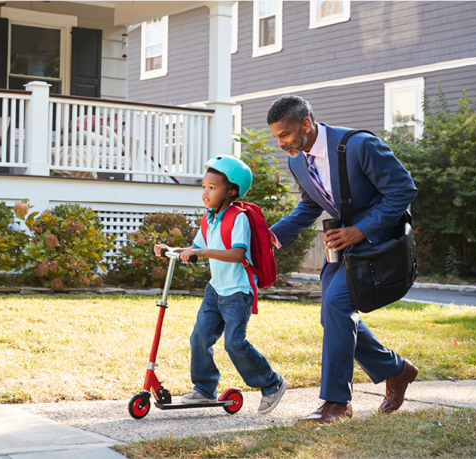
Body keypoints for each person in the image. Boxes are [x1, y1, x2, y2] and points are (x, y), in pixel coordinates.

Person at [267, 95, 419, 424]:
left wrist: (360, 231)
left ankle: (337, 403)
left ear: (306, 124)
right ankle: (396, 369)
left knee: (336, 306)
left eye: (284, 135)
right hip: (344, 246)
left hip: (379, 242)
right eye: (276, 136)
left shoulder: (359, 145)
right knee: (333, 313)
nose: (280, 143)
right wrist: (271, 236)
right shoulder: (297, 160)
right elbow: (310, 205)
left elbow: (403, 190)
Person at [154, 156, 288, 415]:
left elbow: (238, 254)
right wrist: (173, 249)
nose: (205, 192)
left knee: (234, 344)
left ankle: (272, 383)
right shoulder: (209, 218)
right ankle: (204, 389)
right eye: (204, 186)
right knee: (200, 337)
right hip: (216, 289)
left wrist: (203, 253)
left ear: (231, 192)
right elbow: (196, 247)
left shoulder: (238, 217)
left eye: (212, 188)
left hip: (238, 292)